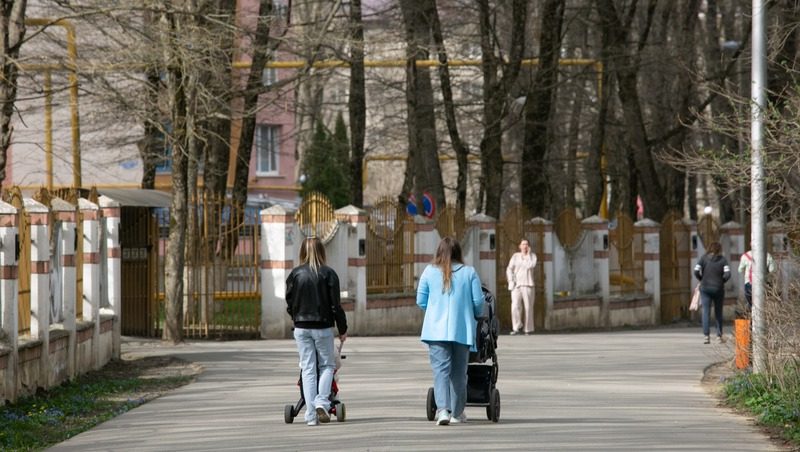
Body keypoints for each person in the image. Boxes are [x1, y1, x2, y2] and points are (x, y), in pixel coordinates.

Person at [416, 237, 485, 426]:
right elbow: (479, 302)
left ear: (439, 251)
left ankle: (442, 411)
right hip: (461, 330)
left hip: (435, 331)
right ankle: (457, 413)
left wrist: (433, 310)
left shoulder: (429, 272)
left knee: (440, 372)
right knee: (459, 373)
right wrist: (476, 314)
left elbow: (421, 300)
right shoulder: (469, 272)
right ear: (458, 252)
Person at [286, 237, 348, 426]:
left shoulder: (295, 274)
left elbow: (290, 302)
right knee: (327, 366)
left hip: (301, 327)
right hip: (323, 328)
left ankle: (311, 416)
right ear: (322, 251)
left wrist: (296, 318)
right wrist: (342, 329)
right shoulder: (329, 274)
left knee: (308, 368)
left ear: (302, 251)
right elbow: (335, 305)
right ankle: (322, 401)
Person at [693, 242, 731, 344]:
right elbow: (728, 274)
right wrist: (721, 281)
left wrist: (702, 279)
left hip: (705, 288)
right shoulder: (723, 260)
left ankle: (706, 336)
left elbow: (696, 271)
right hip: (718, 288)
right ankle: (719, 336)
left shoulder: (703, 258)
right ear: (719, 249)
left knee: (706, 311)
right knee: (718, 312)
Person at [505, 238, 537, 335]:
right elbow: (509, 269)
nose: (525, 246)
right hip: (516, 285)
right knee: (515, 306)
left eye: (526, 244)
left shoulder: (533, 256)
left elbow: (530, 265)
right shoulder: (515, 256)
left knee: (528, 307)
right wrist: (510, 280)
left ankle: (528, 329)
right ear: (520, 246)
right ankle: (516, 327)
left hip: (528, 285)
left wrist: (527, 256)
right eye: (523, 244)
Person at [738, 244, 776, 311]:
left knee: (751, 305)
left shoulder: (745, 256)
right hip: (764, 284)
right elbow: (772, 270)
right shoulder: (767, 255)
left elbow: (740, 270)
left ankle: (752, 319)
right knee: (764, 305)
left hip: (749, 284)